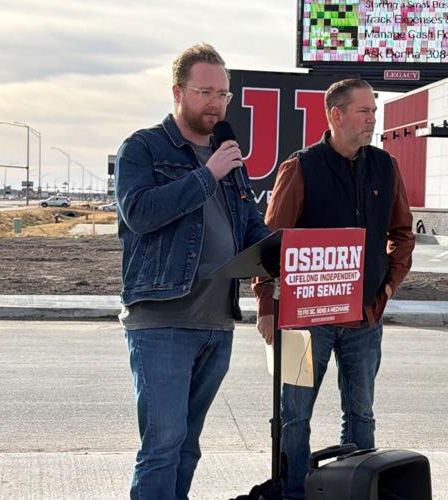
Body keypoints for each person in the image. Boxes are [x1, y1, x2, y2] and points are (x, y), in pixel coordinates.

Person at [114, 43, 271, 500]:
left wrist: (280, 249)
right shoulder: (143, 148)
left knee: (187, 447)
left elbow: (247, 226)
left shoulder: (227, 153)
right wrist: (208, 175)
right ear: (178, 92)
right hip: (162, 321)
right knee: (162, 446)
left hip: (216, 323)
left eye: (224, 94)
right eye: (206, 92)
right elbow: (139, 213)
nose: (217, 104)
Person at [252, 78, 415, 499]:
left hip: (365, 318)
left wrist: (388, 289)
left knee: (361, 415)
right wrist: (267, 306)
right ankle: (292, 493)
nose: (372, 120)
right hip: (306, 322)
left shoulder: (385, 166)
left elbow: (402, 233)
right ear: (336, 115)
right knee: (295, 416)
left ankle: (356, 492)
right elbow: (270, 244)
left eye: (374, 112)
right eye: (364, 112)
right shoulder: (300, 168)